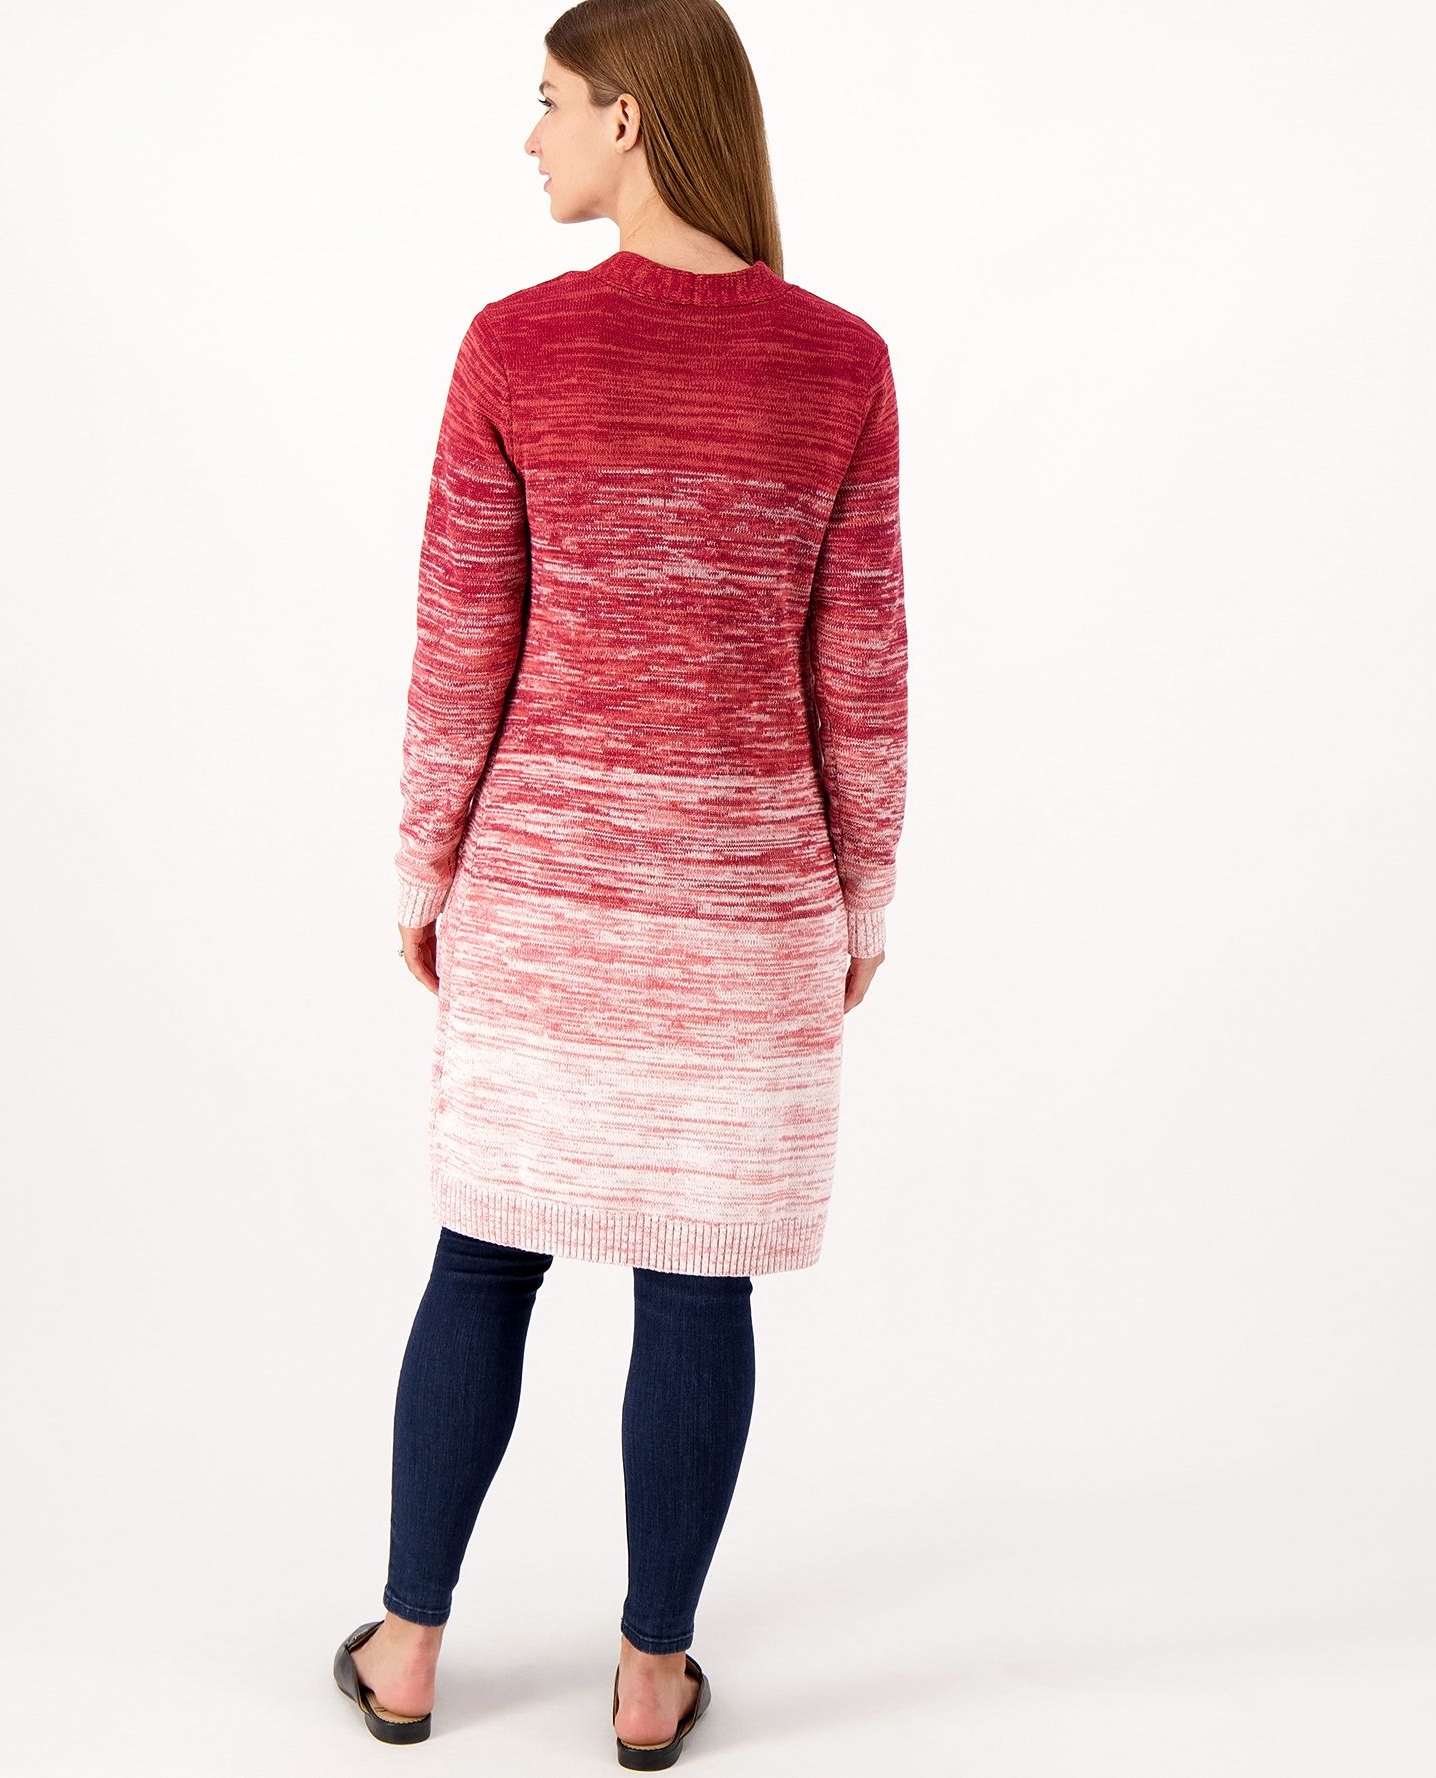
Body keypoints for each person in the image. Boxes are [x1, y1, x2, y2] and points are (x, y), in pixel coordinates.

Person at [333, 0, 907, 1763]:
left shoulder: (516, 347)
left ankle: (410, 1649)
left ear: (634, 119)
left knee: (482, 1263)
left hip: (543, 897)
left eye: (550, 102)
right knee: (697, 1283)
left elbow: (461, 646)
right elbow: (862, 669)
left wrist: (426, 867)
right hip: (746, 908)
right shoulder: (838, 361)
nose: (533, 139)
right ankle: (652, 1676)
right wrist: (862, 899)